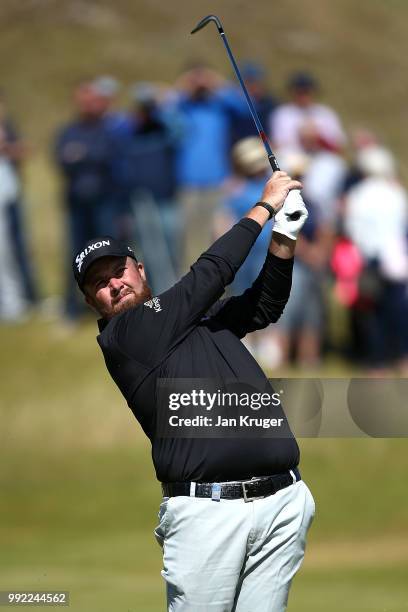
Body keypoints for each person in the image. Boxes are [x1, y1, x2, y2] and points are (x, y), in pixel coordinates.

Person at [73, 171, 314, 611]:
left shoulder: (187, 321)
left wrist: (284, 238)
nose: (114, 283)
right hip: (208, 515)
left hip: (281, 503)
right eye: (99, 284)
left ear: (139, 270)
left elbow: (264, 306)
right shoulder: (126, 337)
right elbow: (210, 274)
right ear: (93, 304)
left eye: (118, 270)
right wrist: (265, 207)